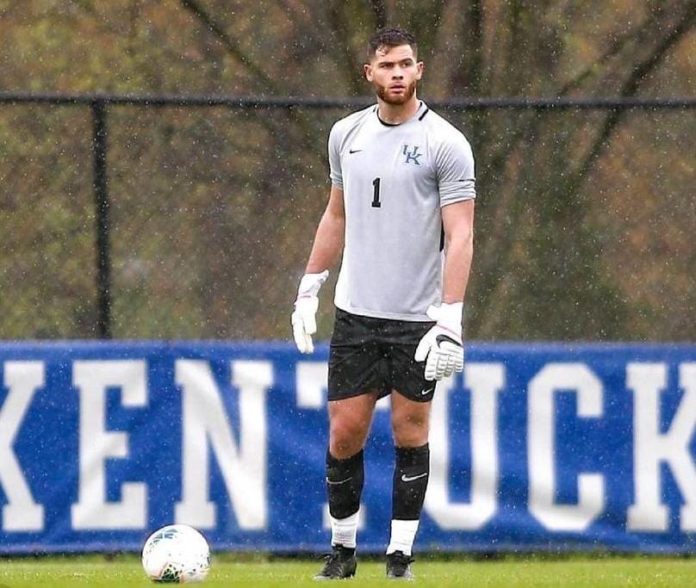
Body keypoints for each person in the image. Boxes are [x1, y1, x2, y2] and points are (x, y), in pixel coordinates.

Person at [291, 27, 476, 580]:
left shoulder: (446, 143)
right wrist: (309, 284)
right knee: (344, 433)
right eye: (386, 65)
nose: (397, 73)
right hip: (356, 314)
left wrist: (451, 318)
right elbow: (336, 215)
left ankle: (399, 556)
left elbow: (460, 234)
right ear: (368, 74)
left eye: (406, 65)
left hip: (417, 319)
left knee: (409, 431)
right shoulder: (344, 135)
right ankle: (342, 550)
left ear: (419, 71)